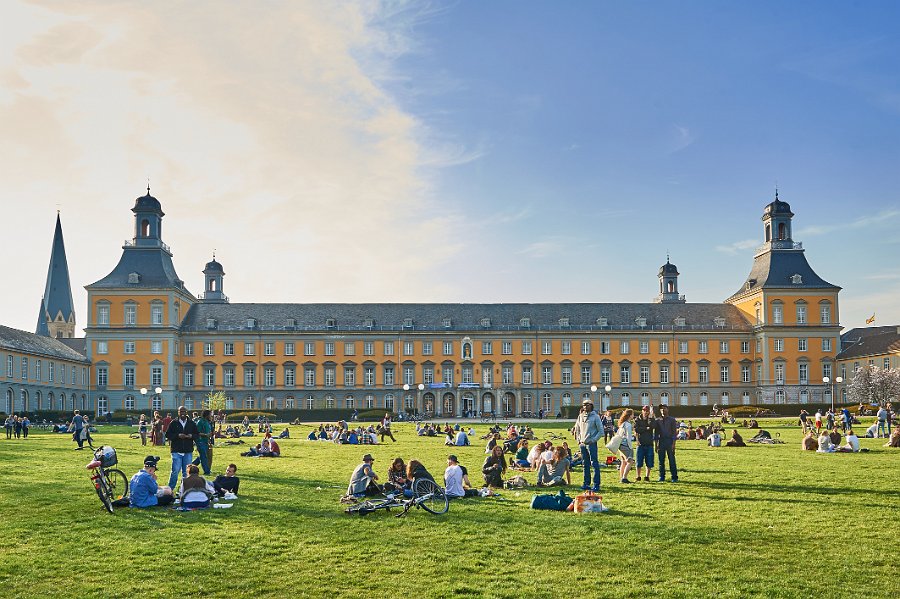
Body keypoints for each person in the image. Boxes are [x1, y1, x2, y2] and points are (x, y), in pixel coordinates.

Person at [165, 406, 199, 489]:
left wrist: (191, 436)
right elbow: (168, 434)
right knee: (175, 471)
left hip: (187, 450)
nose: (182, 413)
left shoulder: (191, 423)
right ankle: (170, 489)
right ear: (178, 412)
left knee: (186, 472)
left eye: (184, 411)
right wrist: (177, 435)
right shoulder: (174, 423)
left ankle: (185, 489)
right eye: (181, 411)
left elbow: (197, 434)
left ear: (187, 412)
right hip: (176, 450)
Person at [574, 398, 603, 491]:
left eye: (587, 405)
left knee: (594, 463)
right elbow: (577, 428)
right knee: (585, 464)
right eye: (584, 405)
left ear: (591, 406)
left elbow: (601, 431)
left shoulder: (595, 417)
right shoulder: (580, 416)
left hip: (591, 444)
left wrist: (594, 440)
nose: (585, 406)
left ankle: (596, 484)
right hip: (582, 444)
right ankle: (586, 483)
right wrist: (579, 439)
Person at [655, 404, 679, 482]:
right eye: (661, 409)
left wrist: (673, 444)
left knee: (671, 460)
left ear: (667, 409)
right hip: (661, 441)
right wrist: (656, 444)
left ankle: (674, 477)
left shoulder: (672, 420)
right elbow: (656, 433)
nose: (663, 410)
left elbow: (674, 433)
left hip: (669, 441)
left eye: (664, 408)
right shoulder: (658, 420)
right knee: (661, 460)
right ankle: (662, 476)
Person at [634, 405, 655, 480]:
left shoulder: (651, 419)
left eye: (647, 411)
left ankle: (647, 476)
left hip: (649, 443)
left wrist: (650, 418)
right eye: (644, 410)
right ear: (642, 411)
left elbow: (652, 426)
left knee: (649, 461)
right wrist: (646, 428)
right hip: (640, 443)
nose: (645, 412)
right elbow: (637, 429)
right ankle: (638, 476)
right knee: (639, 461)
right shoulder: (638, 419)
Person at [616, 409, 635, 483]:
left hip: (620, 444)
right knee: (630, 461)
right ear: (630, 415)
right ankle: (624, 478)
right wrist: (631, 447)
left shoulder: (622, 424)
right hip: (626, 445)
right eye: (632, 414)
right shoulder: (628, 425)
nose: (633, 415)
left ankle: (621, 477)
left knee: (623, 462)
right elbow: (628, 437)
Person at [192, 410, 214, 475]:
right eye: (210, 415)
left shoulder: (207, 422)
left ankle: (191, 465)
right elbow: (197, 432)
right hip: (200, 441)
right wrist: (205, 435)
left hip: (206, 441)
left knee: (203, 456)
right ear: (206, 415)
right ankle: (207, 471)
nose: (211, 416)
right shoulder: (200, 422)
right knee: (203, 456)